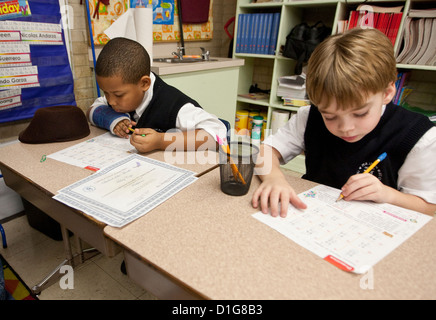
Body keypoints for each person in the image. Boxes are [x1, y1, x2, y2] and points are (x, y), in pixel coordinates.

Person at [252, 27, 436, 218]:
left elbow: (429, 206)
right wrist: (274, 178)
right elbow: (266, 151)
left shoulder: (420, 138)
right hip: (314, 215)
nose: (346, 128)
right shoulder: (310, 116)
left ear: (388, 93)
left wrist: (388, 194)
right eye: (330, 116)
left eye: (360, 113)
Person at [87, 37, 226, 153]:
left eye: (118, 95)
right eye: (106, 93)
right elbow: (92, 110)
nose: (111, 101)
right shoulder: (120, 93)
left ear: (144, 84)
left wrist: (161, 141)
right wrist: (114, 119)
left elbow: (218, 133)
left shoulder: (173, 105)